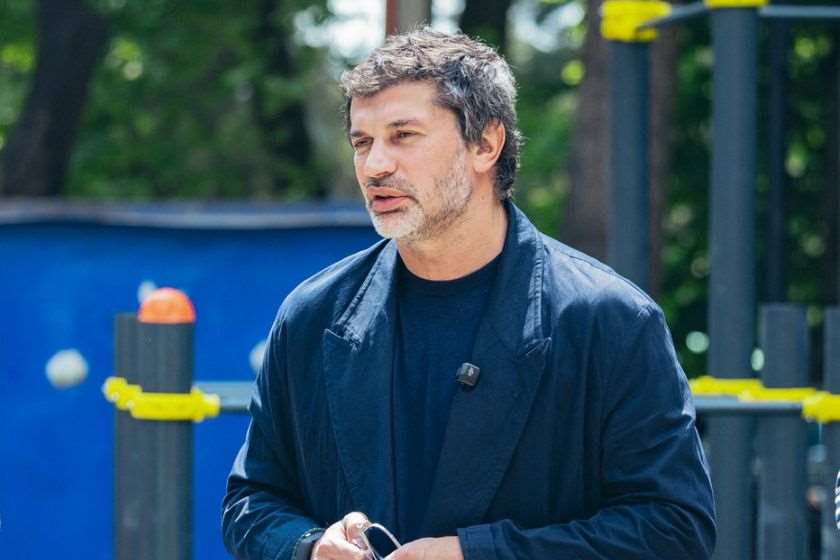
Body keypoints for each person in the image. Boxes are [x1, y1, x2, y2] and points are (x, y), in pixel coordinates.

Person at [222, 28, 716, 560]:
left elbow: (674, 528)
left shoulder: (608, 318)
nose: (375, 165)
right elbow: (251, 501)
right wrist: (309, 546)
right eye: (362, 142)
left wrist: (479, 553)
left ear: (485, 144)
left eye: (403, 135)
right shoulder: (312, 314)